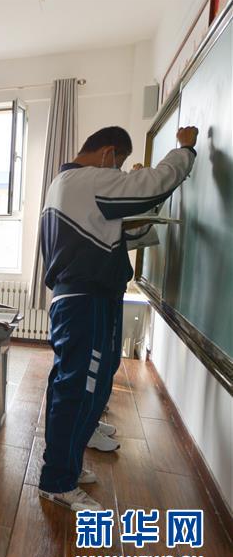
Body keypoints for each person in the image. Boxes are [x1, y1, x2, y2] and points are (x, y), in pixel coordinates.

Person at [37, 125, 198, 512]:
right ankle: (57, 481)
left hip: (83, 299)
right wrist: (184, 150)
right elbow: (155, 184)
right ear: (108, 153)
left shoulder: (67, 184)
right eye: (120, 164)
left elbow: (115, 235)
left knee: (76, 386)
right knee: (80, 390)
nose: (120, 172)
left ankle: (64, 467)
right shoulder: (88, 179)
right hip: (86, 301)